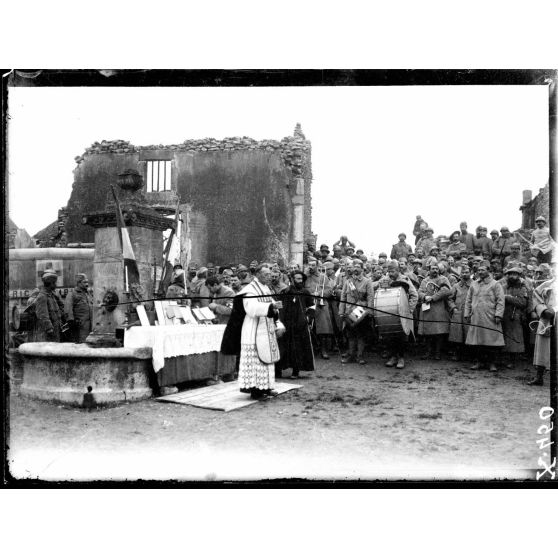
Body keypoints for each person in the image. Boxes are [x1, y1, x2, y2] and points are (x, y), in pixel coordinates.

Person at [237, 264, 283, 399]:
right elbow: (250, 308)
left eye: (269, 274)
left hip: (266, 327)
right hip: (254, 328)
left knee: (267, 359)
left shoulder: (265, 288)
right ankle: (256, 391)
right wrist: (270, 306)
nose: (269, 277)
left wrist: (275, 306)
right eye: (266, 275)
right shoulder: (250, 289)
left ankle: (267, 387)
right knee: (256, 360)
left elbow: (271, 303)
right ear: (257, 275)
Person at [464, 262, 505, 371]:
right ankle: (479, 362)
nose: (480, 272)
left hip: (490, 317)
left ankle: (492, 363)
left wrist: (498, 315)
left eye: (483, 270)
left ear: (489, 271)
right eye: (479, 270)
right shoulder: (474, 284)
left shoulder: (495, 284)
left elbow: (500, 301)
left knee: (491, 341)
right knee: (477, 341)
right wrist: (467, 314)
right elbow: (468, 300)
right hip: (476, 317)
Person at [381, 260, 418, 369]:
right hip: (389, 313)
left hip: (403, 313)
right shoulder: (385, 280)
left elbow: (414, 295)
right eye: (388, 271)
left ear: (398, 270)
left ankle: (401, 358)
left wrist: (409, 310)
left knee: (402, 337)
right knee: (390, 336)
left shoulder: (405, 280)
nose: (390, 274)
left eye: (392, 271)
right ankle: (393, 357)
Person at [280, 270, 315, 378]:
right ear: (292, 279)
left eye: (301, 279)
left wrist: (308, 318)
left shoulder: (305, 292)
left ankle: (296, 371)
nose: (300, 281)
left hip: (301, 325)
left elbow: (312, 307)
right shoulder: (285, 292)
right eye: (298, 279)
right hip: (287, 324)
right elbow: (281, 306)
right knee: (285, 347)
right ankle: (279, 370)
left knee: (298, 348)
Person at [339, 259, 375, 365]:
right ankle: (351, 355)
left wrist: (370, 311)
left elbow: (370, 297)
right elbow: (343, 297)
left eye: (358, 266)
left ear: (362, 268)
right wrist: (341, 311)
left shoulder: (367, 281)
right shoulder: (348, 282)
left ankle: (360, 356)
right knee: (350, 335)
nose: (355, 268)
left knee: (360, 335)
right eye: (354, 266)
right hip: (349, 311)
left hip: (361, 311)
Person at [417, 263, 452, 360]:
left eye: (437, 268)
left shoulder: (443, 279)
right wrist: (424, 296)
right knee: (427, 332)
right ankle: (428, 352)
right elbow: (419, 292)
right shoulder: (425, 280)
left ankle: (437, 353)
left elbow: (447, 291)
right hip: (427, 309)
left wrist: (433, 298)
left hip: (439, 308)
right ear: (429, 270)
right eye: (433, 268)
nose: (435, 270)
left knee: (439, 332)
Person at [306, 261, 336, 359]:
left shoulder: (323, 277)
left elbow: (329, 291)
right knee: (307, 326)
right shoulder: (305, 276)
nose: (311, 267)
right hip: (308, 304)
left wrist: (319, 293)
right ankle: (311, 349)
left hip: (320, 304)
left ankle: (324, 350)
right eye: (309, 265)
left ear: (318, 266)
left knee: (323, 328)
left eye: (313, 265)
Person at [528, 276, 555, 385]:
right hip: (547, 319)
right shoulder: (548, 284)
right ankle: (539, 377)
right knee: (542, 348)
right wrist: (542, 310)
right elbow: (536, 296)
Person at [500, 267, 528, 369]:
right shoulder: (503, 286)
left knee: (514, 338)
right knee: (503, 336)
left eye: (515, 274)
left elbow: (523, 302)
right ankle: (503, 358)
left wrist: (508, 298)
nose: (512, 276)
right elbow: (499, 297)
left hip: (515, 315)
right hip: (503, 313)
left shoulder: (522, 288)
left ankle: (512, 360)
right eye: (510, 274)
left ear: (519, 276)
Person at [30, 269, 66, 342]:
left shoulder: (52, 295)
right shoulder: (42, 296)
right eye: (55, 282)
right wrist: (49, 329)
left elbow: (60, 308)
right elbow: (42, 315)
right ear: (50, 283)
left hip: (56, 330)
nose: (56, 284)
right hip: (48, 333)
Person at [447, 266, 472, 361]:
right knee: (457, 334)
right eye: (463, 272)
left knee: (469, 333)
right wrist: (453, 308)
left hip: (469, 313)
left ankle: (469, 355)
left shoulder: (474, 285)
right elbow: (450, 298)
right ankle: (457, 354)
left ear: (470, 273)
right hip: (458, 312)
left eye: (467, 272)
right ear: (460, 274)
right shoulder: (456, 286)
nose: (465, 274)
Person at [64, 273, 93, 343]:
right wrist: (71, 322)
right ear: (79, 283)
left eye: (87, 282)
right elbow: (68, 309)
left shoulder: (88, 293)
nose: (87, 284)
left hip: (90, 325)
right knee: (81, 345)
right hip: (80, 326)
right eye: (84, 282)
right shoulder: (72, 293)